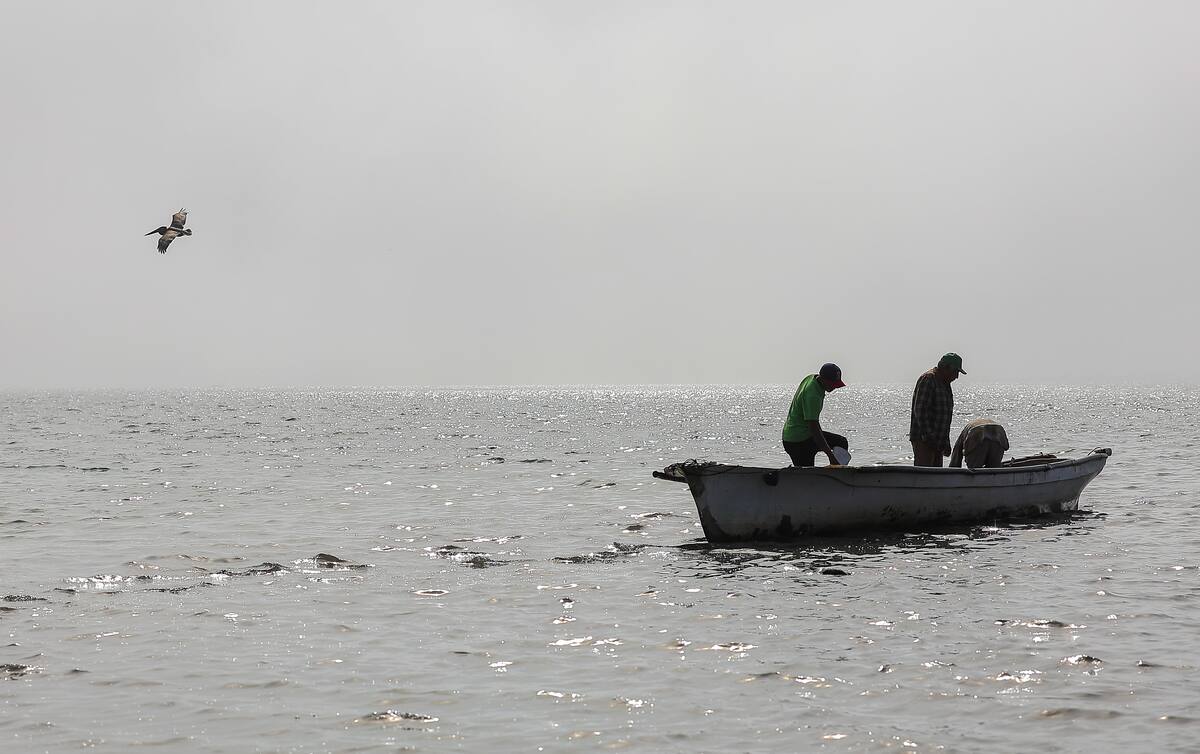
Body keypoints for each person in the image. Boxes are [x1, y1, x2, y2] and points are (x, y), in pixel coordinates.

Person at [782, 363, 849, 467]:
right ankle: (835, 470)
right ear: (823, 379)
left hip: (797, 436)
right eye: (833, 384)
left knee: (841, 442)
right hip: (798, 441)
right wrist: (830, 455)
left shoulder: (811, 378)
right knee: (807, 475)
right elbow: (814, 429)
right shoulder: (813, 395)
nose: (834, 387)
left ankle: (837, 472)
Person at [909, 352, 965, 467]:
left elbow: (945, 416)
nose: (956, 377)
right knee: (924, 477)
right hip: (924, 441)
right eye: (955, 372)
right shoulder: (928, 379)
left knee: (936, 477)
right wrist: (929, 438)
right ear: (946, 368)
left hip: (937, 442)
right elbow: (920, 411)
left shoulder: (945, 384)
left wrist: (945, 442)